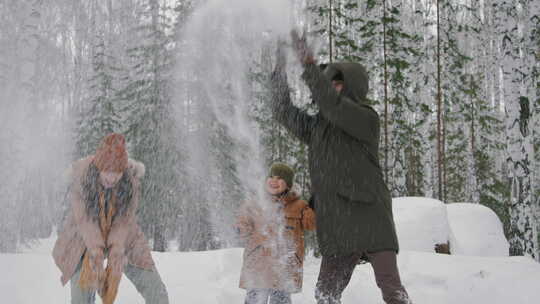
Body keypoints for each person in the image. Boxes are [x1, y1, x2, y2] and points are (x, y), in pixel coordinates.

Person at [269, 31, 412, 304]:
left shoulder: (366, 118)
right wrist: (280, 69)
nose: (331, 88)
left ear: (352, 87)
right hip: (337, 222)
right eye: (329, 84)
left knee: (391, 288)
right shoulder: (316, 128)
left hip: (370, 217)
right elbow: (282, 110)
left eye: (337, 84)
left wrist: (308, 64)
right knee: (326, 295)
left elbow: (333, 107)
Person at [52, 133, 169, 304]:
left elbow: (124, 220)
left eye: (117, 173)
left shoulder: (129, 181)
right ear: (99, 167)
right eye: (107, 171)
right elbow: (84, 219)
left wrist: (117, 250)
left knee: (156, 291)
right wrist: (95, 250)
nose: (112, 178)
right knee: (80, 297)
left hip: (125, 238)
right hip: (84, 240)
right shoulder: (82, 178)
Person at [236, 163, 316, 304]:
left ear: (288, 184)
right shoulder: (254, 203)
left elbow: (312, 224)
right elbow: (242, 224)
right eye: (271, 176)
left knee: (280, 300)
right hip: (258, 266)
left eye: (280, 178)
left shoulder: (299, 206)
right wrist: (239, 228)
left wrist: (316, 204)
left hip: (284, 268)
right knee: (254, 299)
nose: (274, 180)